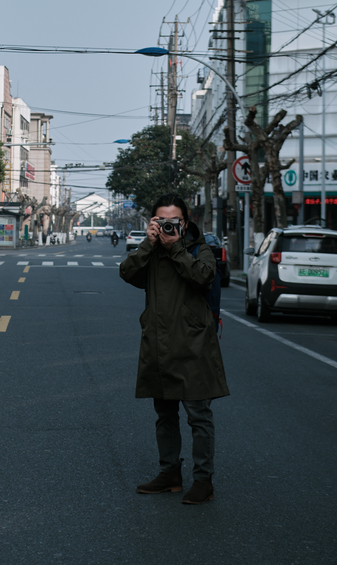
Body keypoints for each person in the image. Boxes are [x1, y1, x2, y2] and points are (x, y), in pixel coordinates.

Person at [119, 194, 229, 505]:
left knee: (198, 415)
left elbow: (203, 277)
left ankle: (203, 481)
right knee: (164, 414)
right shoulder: (150, 252)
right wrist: (148, 244)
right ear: (152, 222)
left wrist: (176, 247)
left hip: (193, 345)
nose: (168, 226)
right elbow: (127, 273)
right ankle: (169, 474)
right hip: (158, 342)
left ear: (185, 221)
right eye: (160, 220)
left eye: (174, 221)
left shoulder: (199, 248)